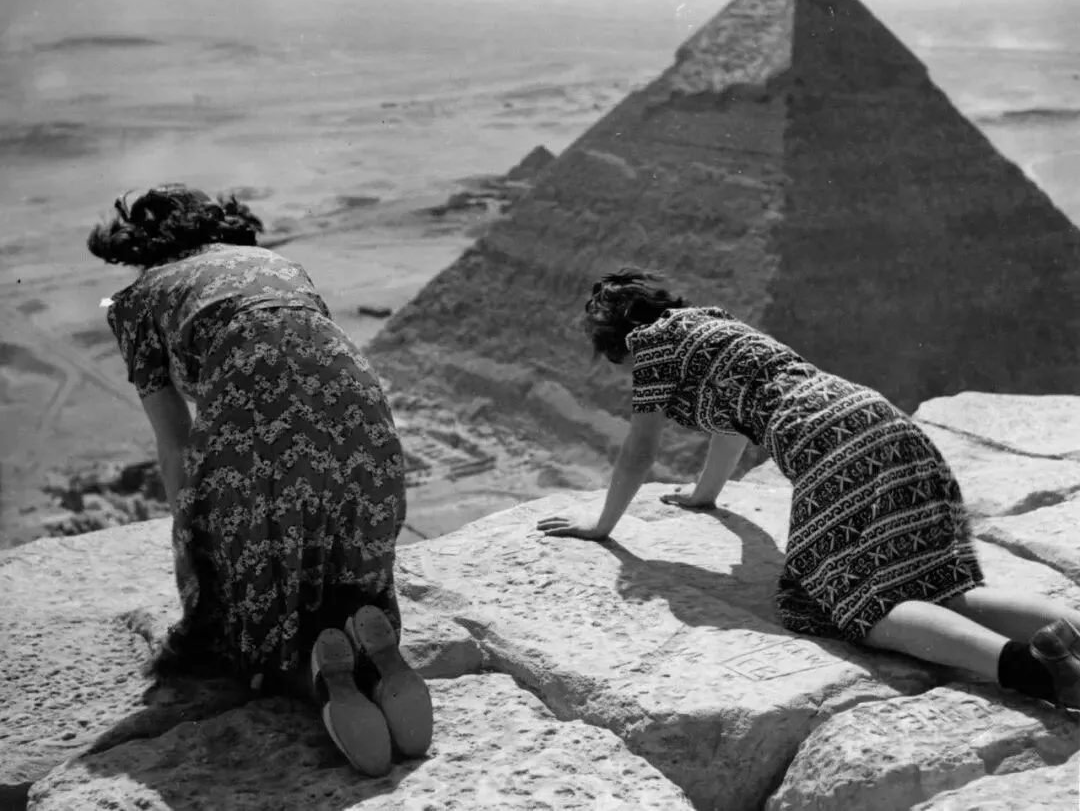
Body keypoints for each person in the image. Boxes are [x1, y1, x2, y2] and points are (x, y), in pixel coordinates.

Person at [537, 267, 1080, 710]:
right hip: (884, 424)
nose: (625, 373)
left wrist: (603, 525)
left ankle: (1037, 674)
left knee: (847, 605)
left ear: (619, 343)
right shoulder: (712, 324)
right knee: (936, 584)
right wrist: (705, 496)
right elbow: (732, 425)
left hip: (829, 445)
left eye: (617, 363)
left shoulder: (650, 347)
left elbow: (640, 448)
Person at [88, 184, 432, 776]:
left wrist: (198, 538)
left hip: (253, 408)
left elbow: (174, 440)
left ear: (138, 247)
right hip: (359, 401)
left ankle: (315, 676)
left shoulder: (138, 299)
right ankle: (373, 646)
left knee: (246, 610)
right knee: (343, 547)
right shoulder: (277, 263)